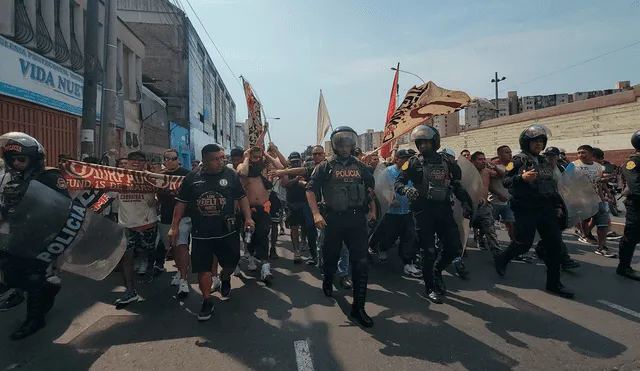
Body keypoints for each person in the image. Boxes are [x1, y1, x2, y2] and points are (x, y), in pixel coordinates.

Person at [170, 144, 254, 321]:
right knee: (203, 269)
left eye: (221, 158)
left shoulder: (230, 175)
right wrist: (174, 226)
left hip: (227, 232)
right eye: (215, 159)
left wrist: (248, 218)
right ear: (205, 160)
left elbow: (242, 197)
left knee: (231, 264)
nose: (220, 162)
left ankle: (225, 277)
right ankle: (207, 300)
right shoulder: (192, 178)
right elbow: (181, 203)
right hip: (202, 234)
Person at [0, 132, 69, 340]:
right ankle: (49, 287)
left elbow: (65, 208)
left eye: (22, 159)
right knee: (11, 274)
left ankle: (35, 320)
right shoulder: (10, 178)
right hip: (16, 234)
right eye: (13, 159)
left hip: (42, 236)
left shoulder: (50, 177)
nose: (17, 163)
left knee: (34, 276)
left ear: (34, 158)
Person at [306, 126, 376, 327]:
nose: (345, 147)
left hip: (356, 221)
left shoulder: (361, 167)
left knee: (361, 263)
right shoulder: (325, 167)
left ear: (353, 144)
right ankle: (328, 279)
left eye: (348, 143)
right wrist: (316, 214)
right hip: (333, 220)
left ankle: (359, 307)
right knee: (330, 257)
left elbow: (371, 188)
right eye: (341, 143)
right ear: (335, 145)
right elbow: (310, 190)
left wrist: (372, 209)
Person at [494, 124, 574, 298]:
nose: (538, 144)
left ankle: (554, 283)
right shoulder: (518, 160)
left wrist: (558, 206)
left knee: (555, 244)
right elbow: (507, 181)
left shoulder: (545, 161)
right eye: (534, 141)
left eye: (540, 141)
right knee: (524, 243)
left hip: (546, 208)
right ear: (526, 142)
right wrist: (521, 178)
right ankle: (503, 257)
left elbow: (551, 186)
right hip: (526, 209)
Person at [395, 125, 473, 304]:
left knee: (454, 247)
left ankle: (437, 270)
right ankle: (430, 286)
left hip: (444, 209)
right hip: (423, 212)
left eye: (426, 141)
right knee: (428, 251)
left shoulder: (446, 160)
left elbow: (456, 182)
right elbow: (398, 183)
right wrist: (406, 189)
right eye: (420, 142)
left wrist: (467, 203)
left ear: (435, 142)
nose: (423, 145)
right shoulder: (413, 162)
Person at [115, 151, 159, 305]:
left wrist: (156, 200)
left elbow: (164, 189)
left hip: (147, 223)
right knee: (126, 258)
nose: (137, 163)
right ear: (128, 161)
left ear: (145, 162)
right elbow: (105, 193)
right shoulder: (118, 177)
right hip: (126, 225)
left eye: (141, 160)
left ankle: (151, 267)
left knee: (147, 251)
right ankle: (130, 290)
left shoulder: (152, 177)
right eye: (133, 160)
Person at [237, 145, 284, 282]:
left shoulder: (264, 168)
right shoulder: (243, 166)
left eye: (259, 156)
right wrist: (246, 157)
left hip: (263, 209)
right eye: (254, 156)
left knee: (263, 236)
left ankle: (265, 266)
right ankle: (251, 257)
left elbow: (280, 167)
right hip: (247, 210)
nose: (257, 159)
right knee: (248, 236)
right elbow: (244, 173)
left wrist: (267, 154)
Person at [377, 149, 422, 277]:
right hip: (391, 212)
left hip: (407, 210)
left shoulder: (411, 172)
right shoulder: (388, 172)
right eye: (405, 159)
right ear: (397, 159)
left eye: (409, 159)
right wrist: (390, 200)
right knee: (389, 236)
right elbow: (380, 189)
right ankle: (383, 248)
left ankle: (408, 264)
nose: (408, 161)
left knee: (409, 236)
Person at [534, 147, 580, 271]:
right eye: (547, 155)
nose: (549, 158)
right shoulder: (542, 168)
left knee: (555, 232)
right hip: (547, 203)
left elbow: (566, 184)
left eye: (552, 155)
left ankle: (542, 248)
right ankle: (564, 259)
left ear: (557, 156)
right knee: (554, 233)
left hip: (560, 202)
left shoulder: (561, 168)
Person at [566, 145, 615, 257]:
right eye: (578, 153)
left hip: (596, 199)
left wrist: (605, 195)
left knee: (603, 222)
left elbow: (598, 183)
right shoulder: (573, 165)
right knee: (584, 219)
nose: (580, 155)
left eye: (583, 152)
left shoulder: (598, 167)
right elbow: (565, 181)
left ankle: (602, 247)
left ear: (591, 154)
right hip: (580, 199)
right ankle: (585, 235)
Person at [156, 149, 192, 297]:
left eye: (173, 158)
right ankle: (179, 271)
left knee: (181, 245)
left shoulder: (187, 174)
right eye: (167, 158)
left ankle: (184, 279)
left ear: (178, 159)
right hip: (165, 217)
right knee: (172, 247)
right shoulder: (159, 176)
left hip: (184, 217)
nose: (170, 161)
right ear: (163, 160)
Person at [282, 152, 316, 263]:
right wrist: (296, 180)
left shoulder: (306, 170)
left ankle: (311, 252)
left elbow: (311, 184)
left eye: (297, 161)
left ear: (301, 161)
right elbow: (285, 183)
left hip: (305, 203)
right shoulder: (286, 171)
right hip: (292, 203)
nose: (295, 163)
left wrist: (303, 182)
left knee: (309, 228)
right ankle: (296, 252)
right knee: (294, 228)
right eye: (293, 162)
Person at [617, 130, 640, 281]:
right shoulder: (632, 163)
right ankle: (624, 267)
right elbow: (636, 185)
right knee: (631, 236)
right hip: (637, 206)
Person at [470, 151, 503, 257]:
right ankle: (459, 253)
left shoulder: (487, 172)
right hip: (469, 206)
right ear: (473, 161)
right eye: (480, 159)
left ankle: (498, 255)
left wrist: (495, 167)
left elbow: (502, 175)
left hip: (484, 207)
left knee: (490, 230)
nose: (483, 161)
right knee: (464, 231)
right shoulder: (468, 173)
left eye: (484, 159)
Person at [489, 146, 515, 242]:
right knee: (489, 225)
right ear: (499, 155)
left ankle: (514, 243)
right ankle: (480, 238)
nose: (510, 154)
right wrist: (498, 194)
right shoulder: (492, 167)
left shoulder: (511, 166)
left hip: (508, 202)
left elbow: (506, 175)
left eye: (510, 152)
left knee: (511, 223)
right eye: (507, 152)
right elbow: (488, 184)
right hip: (494, 202)